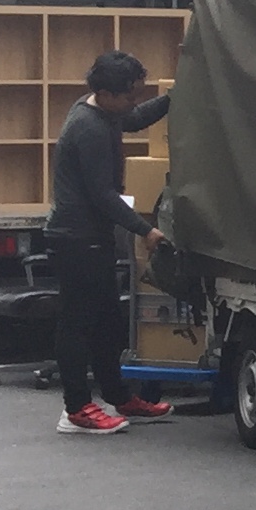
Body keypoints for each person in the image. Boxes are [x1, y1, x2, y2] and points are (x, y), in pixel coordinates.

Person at [47, 49, 175, 435]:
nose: (133, 102)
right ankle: (76, 409)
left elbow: (134, 118)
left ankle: (120, 397)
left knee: (106, 323)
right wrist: (146, 230)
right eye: (129, 95)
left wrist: (172, 100)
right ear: (105, 92)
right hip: (76, 240)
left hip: (92, 238)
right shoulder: (88, 129)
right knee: (77, 324)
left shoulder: (101, 112)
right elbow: (103, 194)